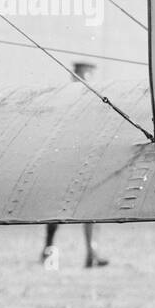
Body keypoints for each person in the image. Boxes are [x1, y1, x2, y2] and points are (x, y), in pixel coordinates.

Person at [41, 62, 107, 269]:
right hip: (67, 161)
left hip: (87, 159)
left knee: (92, 208)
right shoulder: (65, 99)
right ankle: (49, 248)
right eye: (85, 75)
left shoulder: (94, 101)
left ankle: (91, 253)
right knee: (57, 209)